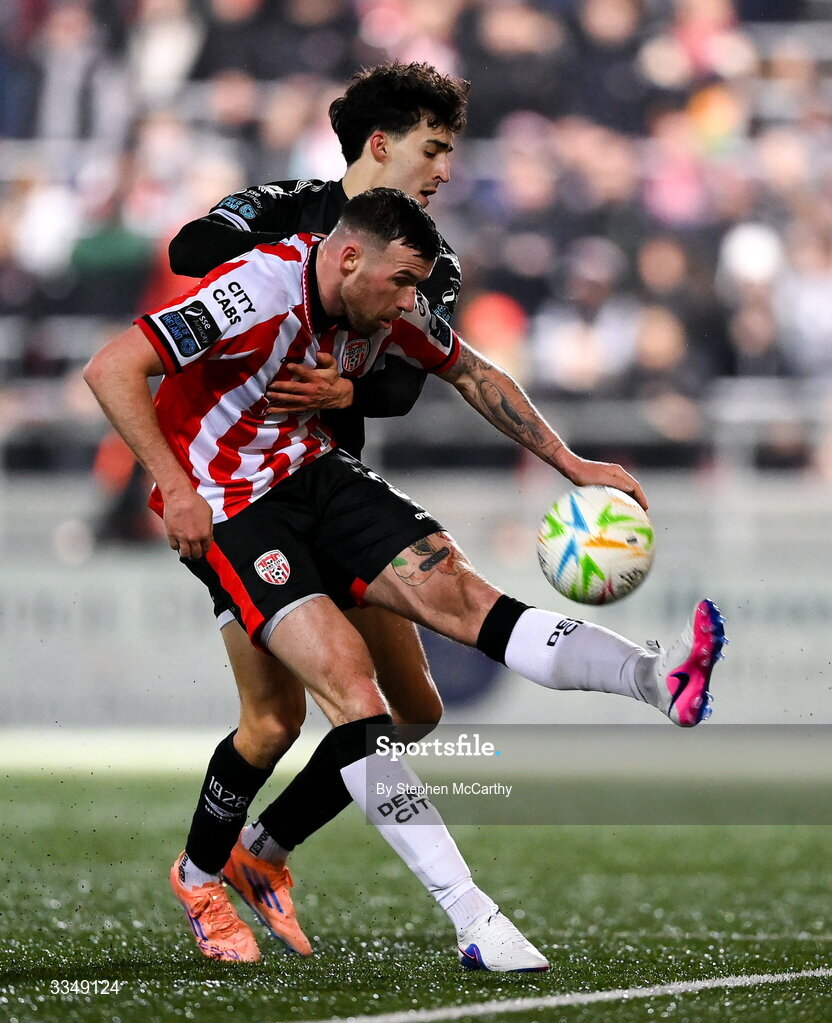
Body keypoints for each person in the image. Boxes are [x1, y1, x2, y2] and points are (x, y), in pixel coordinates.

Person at [83, 188, 726, 970]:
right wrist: (175, 489)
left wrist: (571, 463)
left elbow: (474, 371)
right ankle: (463, 916)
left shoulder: (392, 301)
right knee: (340, 700)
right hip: (233, 507)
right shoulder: (255, 291)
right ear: (349, 257)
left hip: (315, 475)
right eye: (399, 284)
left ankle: (654, 677)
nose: (408, 304)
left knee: (462, 606)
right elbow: (114, 366)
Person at [159, 61, 469, 958]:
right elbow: (187, 251)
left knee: (411, 711)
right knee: (275, 721)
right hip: (237, 494)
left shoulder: (432, 258)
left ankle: (265, 849)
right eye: (434, 147)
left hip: (331, 490)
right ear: (383, 144)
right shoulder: (285, 208)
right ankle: (201, 875)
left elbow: (408, 385)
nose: (443, 168)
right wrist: (279, 302)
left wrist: (347, 381)